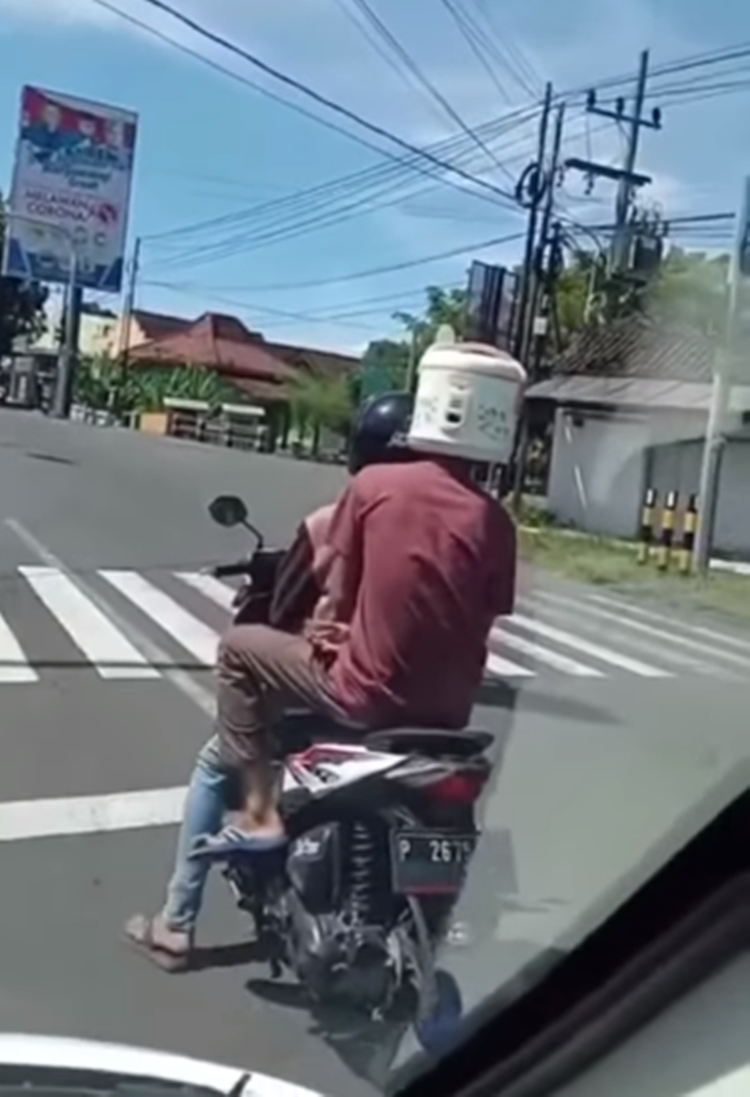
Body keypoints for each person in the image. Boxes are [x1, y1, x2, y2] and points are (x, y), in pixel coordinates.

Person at [126, 342, 522, 971]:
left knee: (232, 671)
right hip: (449, 716)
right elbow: (483, 615)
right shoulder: (496, 521)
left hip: (362, 694)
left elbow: (332, 596)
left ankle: (200, 894)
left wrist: (335, 633)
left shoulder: (371, 489)